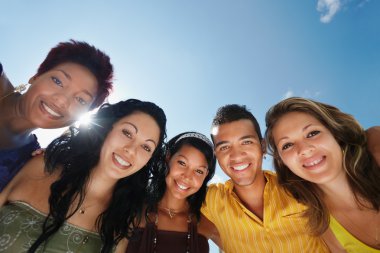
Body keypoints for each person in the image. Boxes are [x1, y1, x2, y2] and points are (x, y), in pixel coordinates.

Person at [0, 99, 167, 253]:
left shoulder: (125, 220)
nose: (131, 150)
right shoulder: (42, 166)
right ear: (107, 128)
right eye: (127, 133)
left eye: (146, 147)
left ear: (149, 160)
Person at [201, 104, 329, 252]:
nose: (236, 155)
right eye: (224, 147)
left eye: (246, 142)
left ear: (262, 146)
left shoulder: (300, 185)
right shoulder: (210, 200)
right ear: (216, 155)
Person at [265, 97, 380, 253]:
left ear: (336, 133)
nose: (304, 149)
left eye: (312, 133)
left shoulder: (376, 149)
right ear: (283, 163)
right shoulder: (324, 230)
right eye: (287, 145)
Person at [0, 40, 113, 191]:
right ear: (35, 76)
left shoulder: (30, 162)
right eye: (57, 81)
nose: (61, 101)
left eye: (80, 100)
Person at [119, 132, 221, 253]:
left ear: (206, 175)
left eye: (199, 171)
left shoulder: (208, 223)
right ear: (168, 157)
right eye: (182, 163)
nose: (187, 177)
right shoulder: (133, 210)